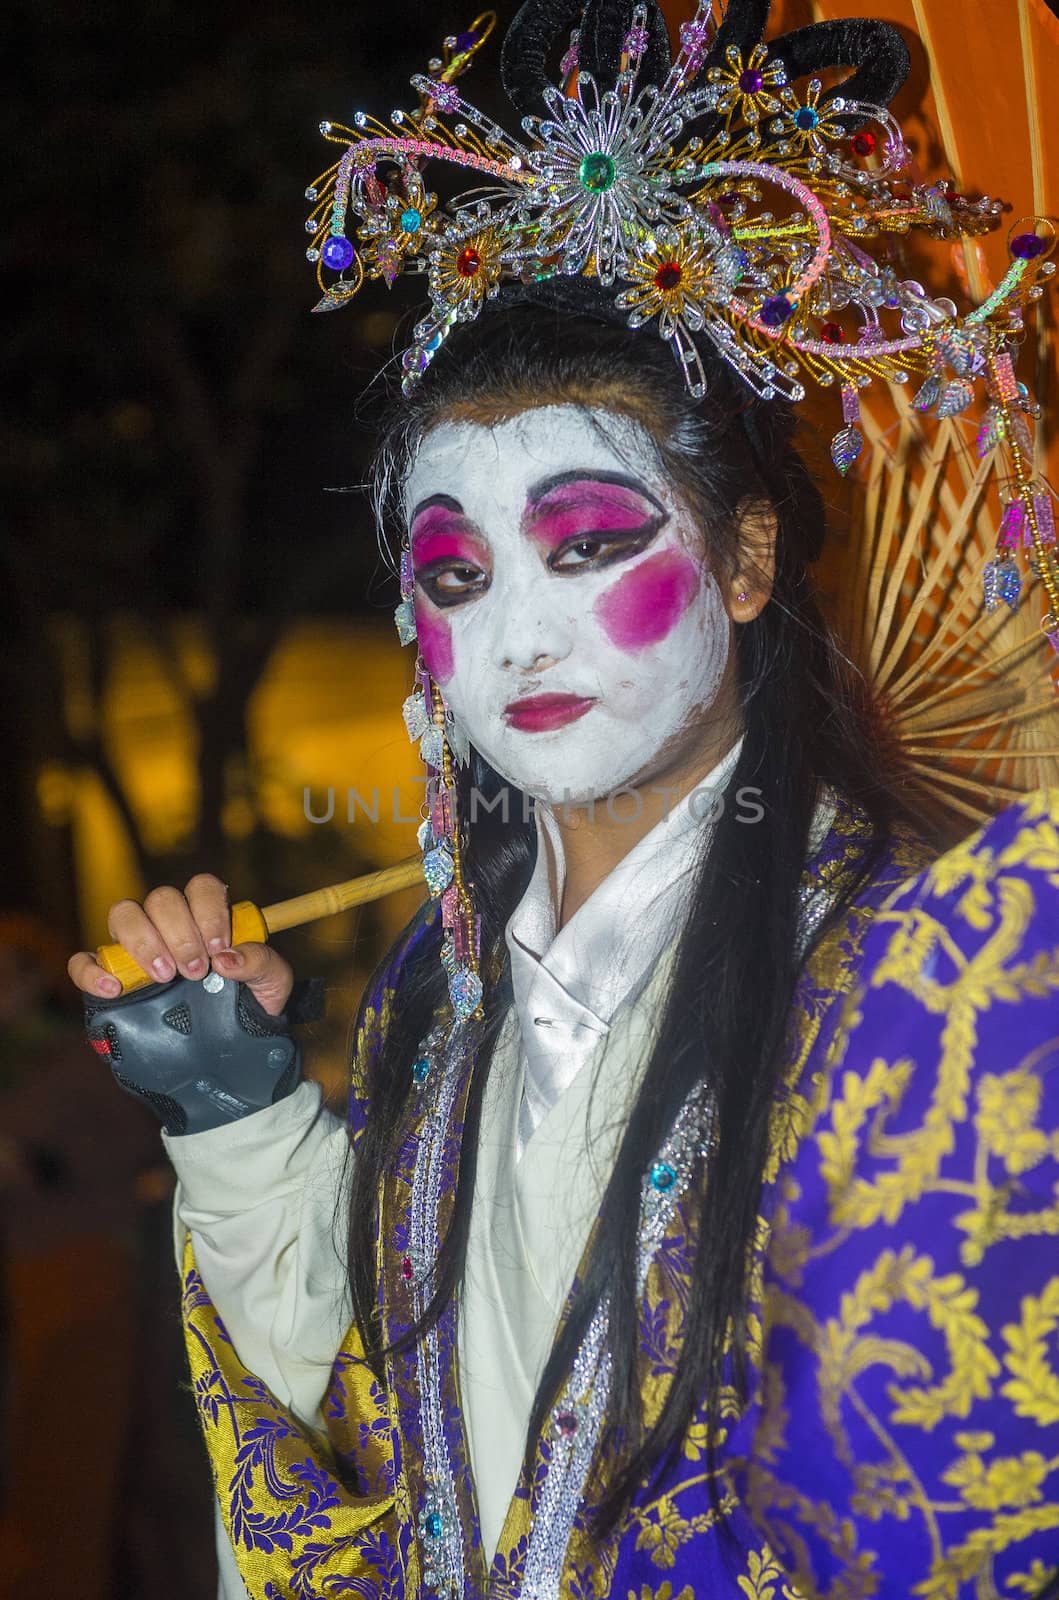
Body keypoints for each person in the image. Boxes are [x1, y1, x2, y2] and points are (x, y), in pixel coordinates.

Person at [68, 2, 1059, 1596]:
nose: (516, 630)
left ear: (743, 562)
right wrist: (241, 1118)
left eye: (590, 542)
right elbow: (384, 1419)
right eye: (456, 569)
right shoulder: (437, 996)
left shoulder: (913, 1000)